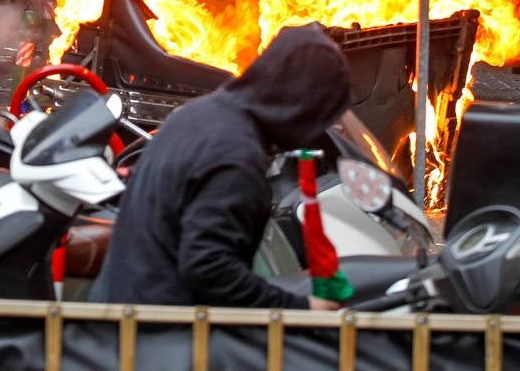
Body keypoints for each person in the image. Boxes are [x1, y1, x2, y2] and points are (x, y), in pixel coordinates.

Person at [91, 24, 352, 311]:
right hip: (162, 335)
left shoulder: (199, 114)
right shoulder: (235, 154)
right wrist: (303, 308)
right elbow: (209, 270)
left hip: (123, 316)